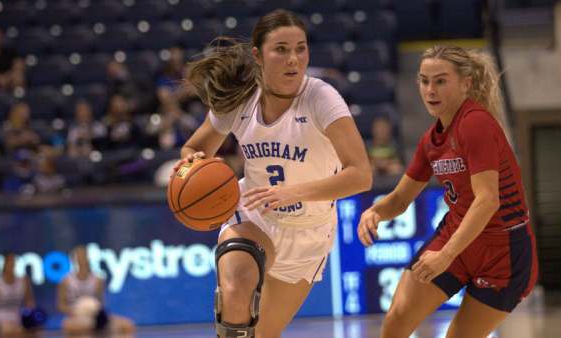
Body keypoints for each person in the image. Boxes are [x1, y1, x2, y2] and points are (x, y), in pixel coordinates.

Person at [172, 9, 372, 337]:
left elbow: (361, 175)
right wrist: (193, 162)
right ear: (258, 55)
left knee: (264, 333)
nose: (293, 58)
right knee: (238, 291)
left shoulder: (322, 99)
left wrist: (293, 192)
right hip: (255, 215)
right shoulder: (240, 99)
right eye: (281, 49)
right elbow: (192, 149)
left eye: (300, 48)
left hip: (310, 231)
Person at [357, 45, 538, 338]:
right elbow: (401, 199)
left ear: (465, 83)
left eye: (441, 81)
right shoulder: (430, 140)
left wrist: (446, 254)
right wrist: (375, 211)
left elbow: (487, 200)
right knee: (396, 320)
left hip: (503, 251)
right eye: (424, 81)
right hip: (458, 235)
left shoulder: (475, 123)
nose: (430, 90)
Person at [57, 246, 135, 336]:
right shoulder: (66, 280)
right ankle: (95, 329)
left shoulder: (98, 279)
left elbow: (101, 303)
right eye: (78, 257)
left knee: (128, 326)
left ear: (88, 258)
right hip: (75, 317)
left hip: (94, 316)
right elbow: (61, 305)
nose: (81, 260)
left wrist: (94, 313)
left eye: (83, 256)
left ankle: (97, 328)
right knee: (70, 327)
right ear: (74, 260)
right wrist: (77, 312)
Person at [0, 252, 38, 336]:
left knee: (34, 330)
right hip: (0, 318)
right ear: (4, 264)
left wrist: (31, 317)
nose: (12, 264)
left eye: (14, 261)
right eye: (9, 262)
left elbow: (30, 302)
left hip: (19, 317)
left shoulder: (24, 281)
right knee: (10, 331)